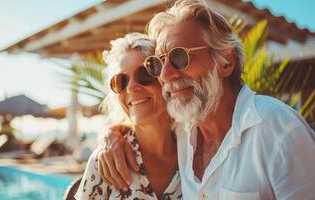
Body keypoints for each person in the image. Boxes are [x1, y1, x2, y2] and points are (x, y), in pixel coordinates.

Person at [97, 0, 315, 199]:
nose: (165, 75)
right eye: (158, 63)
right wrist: (109, 135)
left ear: (226, 62)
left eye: (179, 57)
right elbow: (143, 121)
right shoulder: (180, 130)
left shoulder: (280, 131)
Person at [74, 33, 182, 200]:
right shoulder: (104, 161)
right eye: (121, 81)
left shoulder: (194, 151)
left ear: (165, 77)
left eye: (144, 74)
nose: (131, 88)